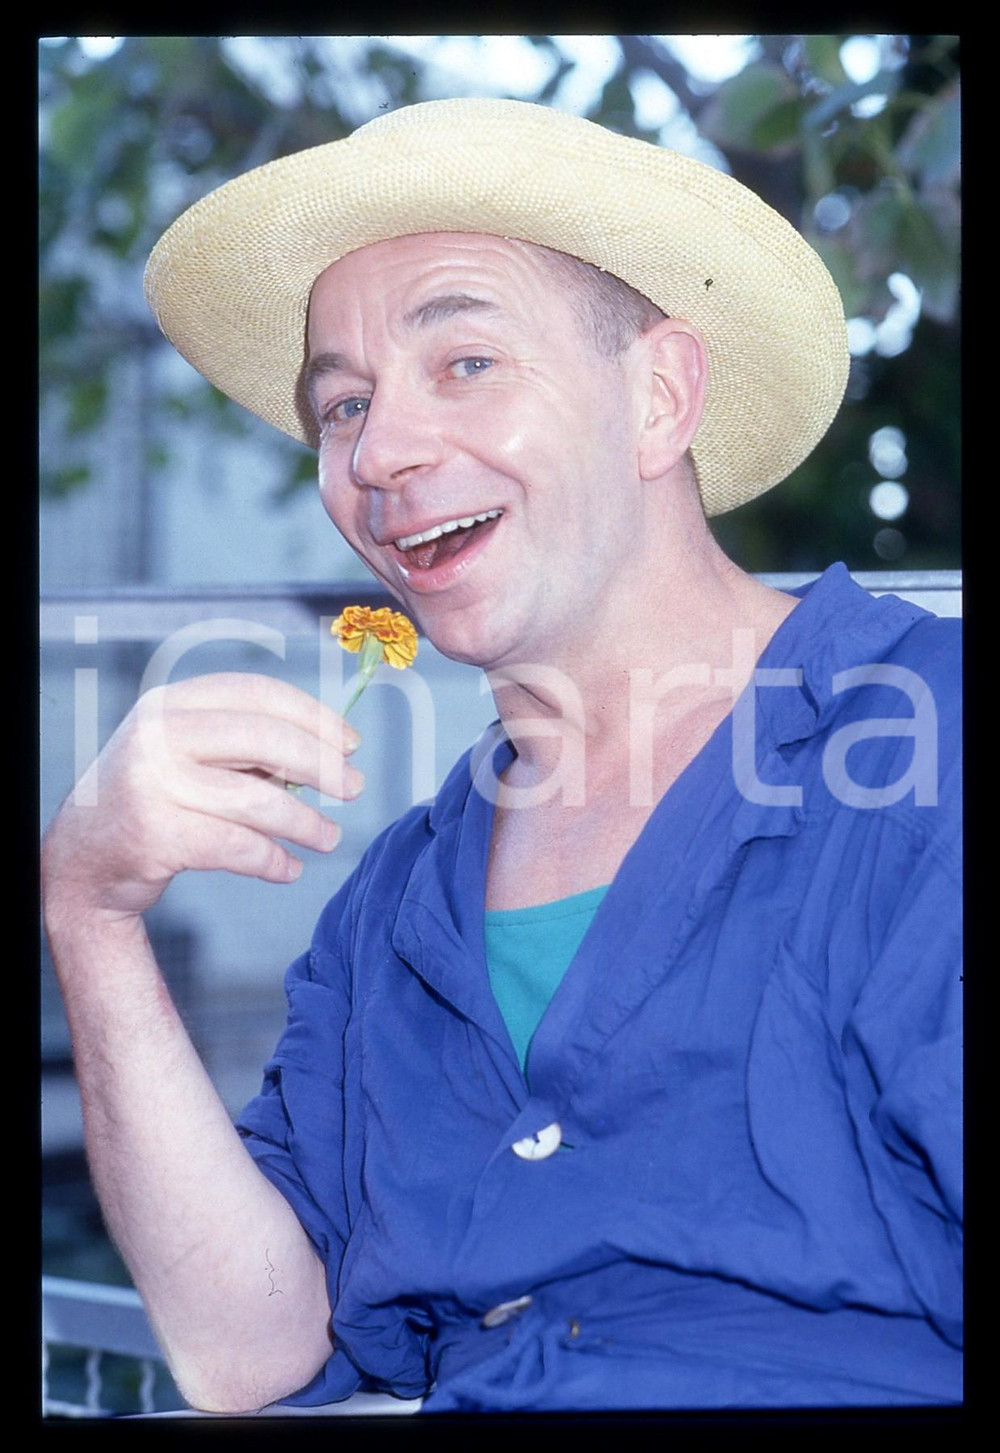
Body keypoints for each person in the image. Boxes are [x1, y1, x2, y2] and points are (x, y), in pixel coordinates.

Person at [41, 98, 962, 1414]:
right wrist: (90, 908)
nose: (382, 453)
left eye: (465, 360)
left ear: (657, 398)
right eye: (342, 403)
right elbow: (247, 1352)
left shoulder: (922, 757)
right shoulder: (396, 906)